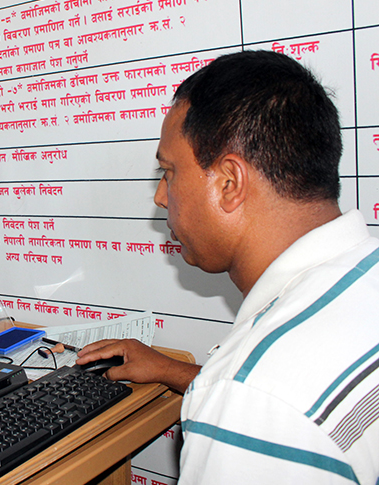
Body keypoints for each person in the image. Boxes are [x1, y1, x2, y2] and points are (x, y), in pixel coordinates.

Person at [77, 51, 379, 483]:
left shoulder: (250, 405)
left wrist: (226, 391)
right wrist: (178, 374)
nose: (162, 197)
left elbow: (263, 402)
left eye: (169, 172)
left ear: (229, 184)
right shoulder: (364, 275)